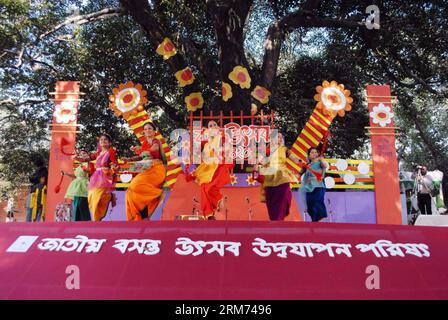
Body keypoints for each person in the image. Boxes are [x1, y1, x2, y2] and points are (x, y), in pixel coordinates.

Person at [187, 121, 233, 220]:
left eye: (214, 125)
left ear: (218, 127)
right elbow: (204, 158)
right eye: (210, 125)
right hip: (209, 169)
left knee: (210, 188)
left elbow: (228, 152)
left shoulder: (223, 138)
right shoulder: (207, 144)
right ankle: (209, 214)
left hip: (219, 167)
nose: (212, 127)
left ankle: (219, 199)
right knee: (204, 189)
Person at [122, 122, 166, 221]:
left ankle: (158, 193)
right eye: (145, 129)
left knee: (135, 186)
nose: (147, 131)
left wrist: (141, 150)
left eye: (150, 128)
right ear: (143, 133)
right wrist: (128, 159)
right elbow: (140, 157)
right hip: (146, 168)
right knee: (131, 192)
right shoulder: (145, 144)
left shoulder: (156, 141)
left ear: (154, 131)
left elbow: (154, 149)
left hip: (156, 169)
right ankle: (143, 217)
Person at [255, 133, 300, 221]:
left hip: (281, 173)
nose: (277, 138)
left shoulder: (284, 149)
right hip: (269, 174)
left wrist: (299, 160)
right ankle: (275, 219)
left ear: (281, 140)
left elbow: (293, 158)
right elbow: (260, 161)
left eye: (279, 137)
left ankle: (280, 215)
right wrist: (257, 165)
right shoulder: (267, 150)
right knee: (271, 199)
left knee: (284, 193)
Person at [88, 133, 118, 221]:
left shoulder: (111, 152)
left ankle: (97, 219)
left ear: (109, 143)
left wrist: (114, 167)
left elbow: (115, 163)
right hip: (96, 178)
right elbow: (88, 158)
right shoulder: (98, 153)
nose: (103, 141)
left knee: (98, 196)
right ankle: (97, 217)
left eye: (105, 139)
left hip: (105, 177)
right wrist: (77, 157)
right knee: (91, 196)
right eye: (101, 140)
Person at [62, 150, 94, 221]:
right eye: (81, 154)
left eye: (84, 153)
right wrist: (66, 173)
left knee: (82, 202)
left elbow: (90, 172)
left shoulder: (89, 164)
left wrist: (84, 167)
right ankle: (76, 220)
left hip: (84, 185)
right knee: (76, 202)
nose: (83, 155)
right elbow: (75, 175)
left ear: (88, 155)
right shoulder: (79, 166)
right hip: (76, 186)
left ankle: (85, 220)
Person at [301, 147, 329, 222]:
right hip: (309, 188)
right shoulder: (307, 165)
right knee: (309, 204)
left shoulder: (320, 162)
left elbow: (325, 166)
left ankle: (319, 218)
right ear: (309, 155)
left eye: (315, 152)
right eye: (312, 152)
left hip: (319, 186)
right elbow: (304, 177)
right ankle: (315, 220)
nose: (314, 154)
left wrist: (321, 159)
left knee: (316, 201)